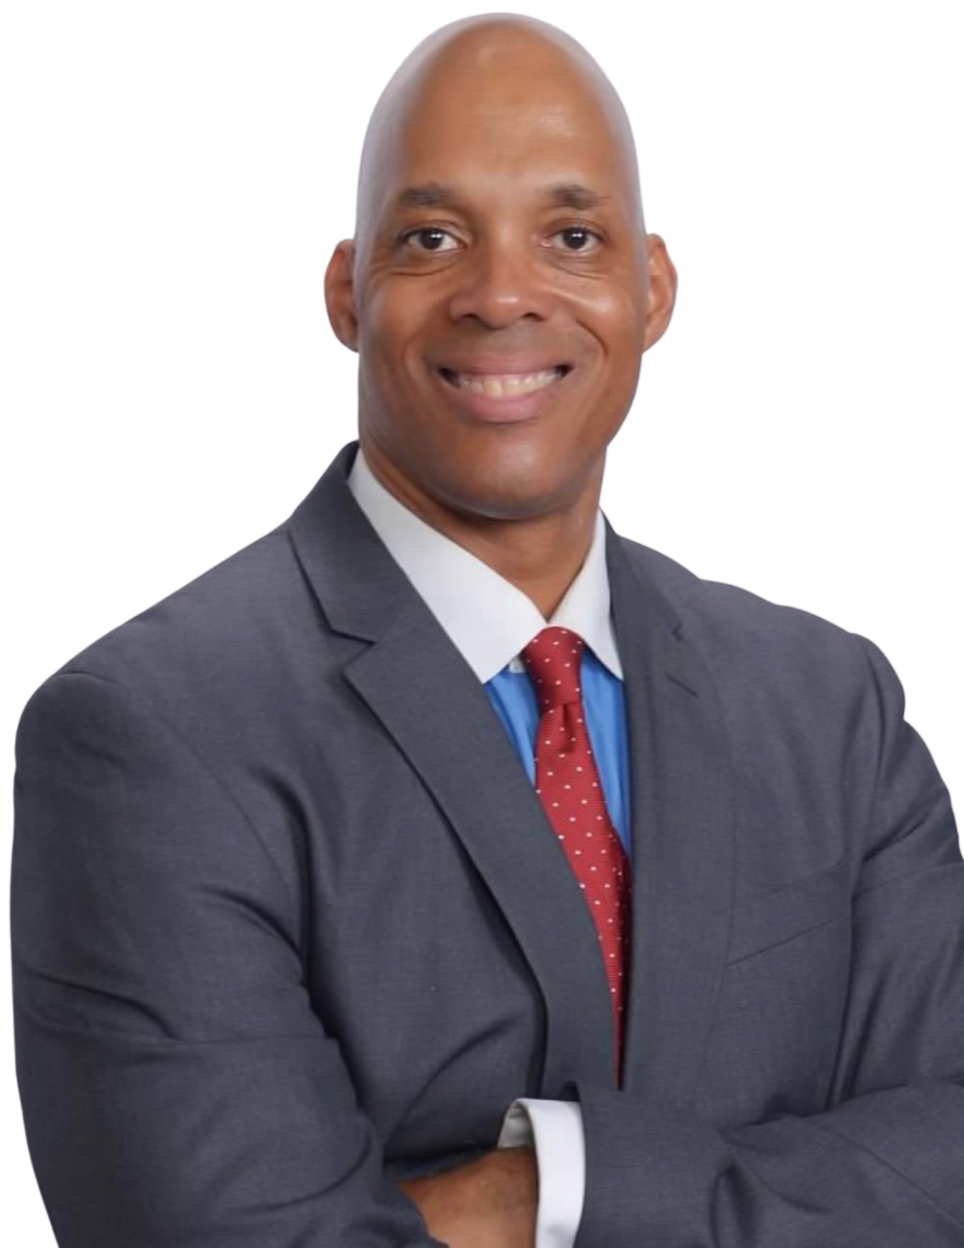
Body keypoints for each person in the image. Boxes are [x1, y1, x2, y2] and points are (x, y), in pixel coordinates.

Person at [10, 12, 962, 1248]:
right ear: (344, 296)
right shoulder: (150, 733)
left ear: (653, 289)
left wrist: (544, 1191)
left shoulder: (831, 707)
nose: (503, 294)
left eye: (571, 237)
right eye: (432, 238)